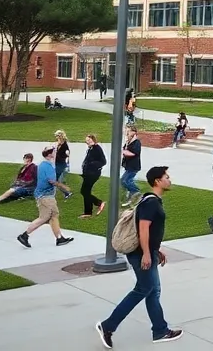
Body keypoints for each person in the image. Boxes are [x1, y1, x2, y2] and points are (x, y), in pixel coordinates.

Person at [96, 165, 183, 347]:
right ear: (157, 181)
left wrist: (155, 250)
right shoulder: (151, 203)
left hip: (147, 252)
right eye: (166, 177)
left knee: (153, 290)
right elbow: (143, 229)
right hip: (140, 254)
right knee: (144, 289)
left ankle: (160, 330)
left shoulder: (152, 201)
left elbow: (150, 231)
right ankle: (108, 326)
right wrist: (146, 254)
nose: (169, 180)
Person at [16, 146, 75, 249]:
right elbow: (51, 181)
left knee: (54, 215)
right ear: (50, 154)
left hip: (47, 195)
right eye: (54, 151)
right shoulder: (47, 166)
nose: (56, 152)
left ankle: (59, 238)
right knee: (44, 217)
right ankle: (24, 235)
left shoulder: (45, 164)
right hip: (44, 196)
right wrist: (64, 187)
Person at [79, 134, 107, 219]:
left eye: (89, 140)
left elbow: (103, 161)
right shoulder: (91, 149)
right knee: (86, 192)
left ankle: (98, 203)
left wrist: (92, 164)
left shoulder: (97, 149)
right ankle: (88, 212)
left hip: (93, 174)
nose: (88, 142)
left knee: (84, 191)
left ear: (93, 140)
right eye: (87, 141)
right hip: (88, 174)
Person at [120, 126, 142, 206]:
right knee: (128, 181)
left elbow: (135, 153)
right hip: (128, 165)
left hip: (133, 166)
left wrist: (124, 152)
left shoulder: (137, 142)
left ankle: (137, 192)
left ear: (134, 132)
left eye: (128, 131)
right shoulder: (128, 142)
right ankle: (131, 197)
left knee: (124, 181)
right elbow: (124, 150)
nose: (127, 132)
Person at [53, 130, 73, 199]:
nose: (56, 137)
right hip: (57, 164)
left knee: (54, 180)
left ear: (60, 137)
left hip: (60, 165)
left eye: (57, 136)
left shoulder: (65, 146)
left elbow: (65, 156)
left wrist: (55, 154)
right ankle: (67, 193)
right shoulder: (59, 144)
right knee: (55, 181)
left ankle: (66, 193)